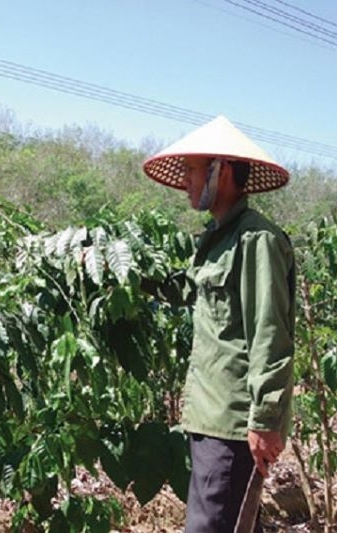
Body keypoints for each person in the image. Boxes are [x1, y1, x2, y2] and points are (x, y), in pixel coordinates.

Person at [142, 116, 295, 532]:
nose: (186, 182)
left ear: (221, 170)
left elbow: (269, 334)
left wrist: (265, 419)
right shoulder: (215, 240)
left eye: (192, 170)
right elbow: (194, 299)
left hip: (234, 422)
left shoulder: (256, 240)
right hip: (207, 416)